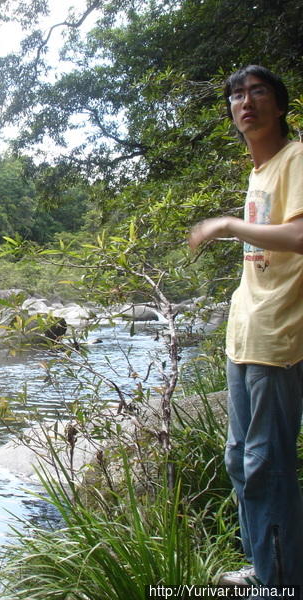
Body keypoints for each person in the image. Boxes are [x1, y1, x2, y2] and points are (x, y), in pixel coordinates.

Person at [189, 65, 303, 596]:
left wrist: (228, 225)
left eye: (257, 92)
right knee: (240, 459)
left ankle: (278, 583)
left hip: (279, 337)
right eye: (236, 94)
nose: (245, 101)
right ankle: (266, 568)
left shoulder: (296, 158)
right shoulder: (260, 172)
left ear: (279, 105)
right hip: (246, 334)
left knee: (265, 465)